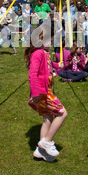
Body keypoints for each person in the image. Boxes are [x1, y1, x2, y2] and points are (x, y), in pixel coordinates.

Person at [25, 29, 68, 162]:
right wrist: (36, 93)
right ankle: (47, 142)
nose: (50, 42)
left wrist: (57, 65)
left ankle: (40, 151)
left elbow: (48, 66)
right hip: (43, 92)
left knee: (48, 118)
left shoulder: (45, 52)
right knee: (62, 113)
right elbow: (32, 74)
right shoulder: (38, 53)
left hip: (45, 90)